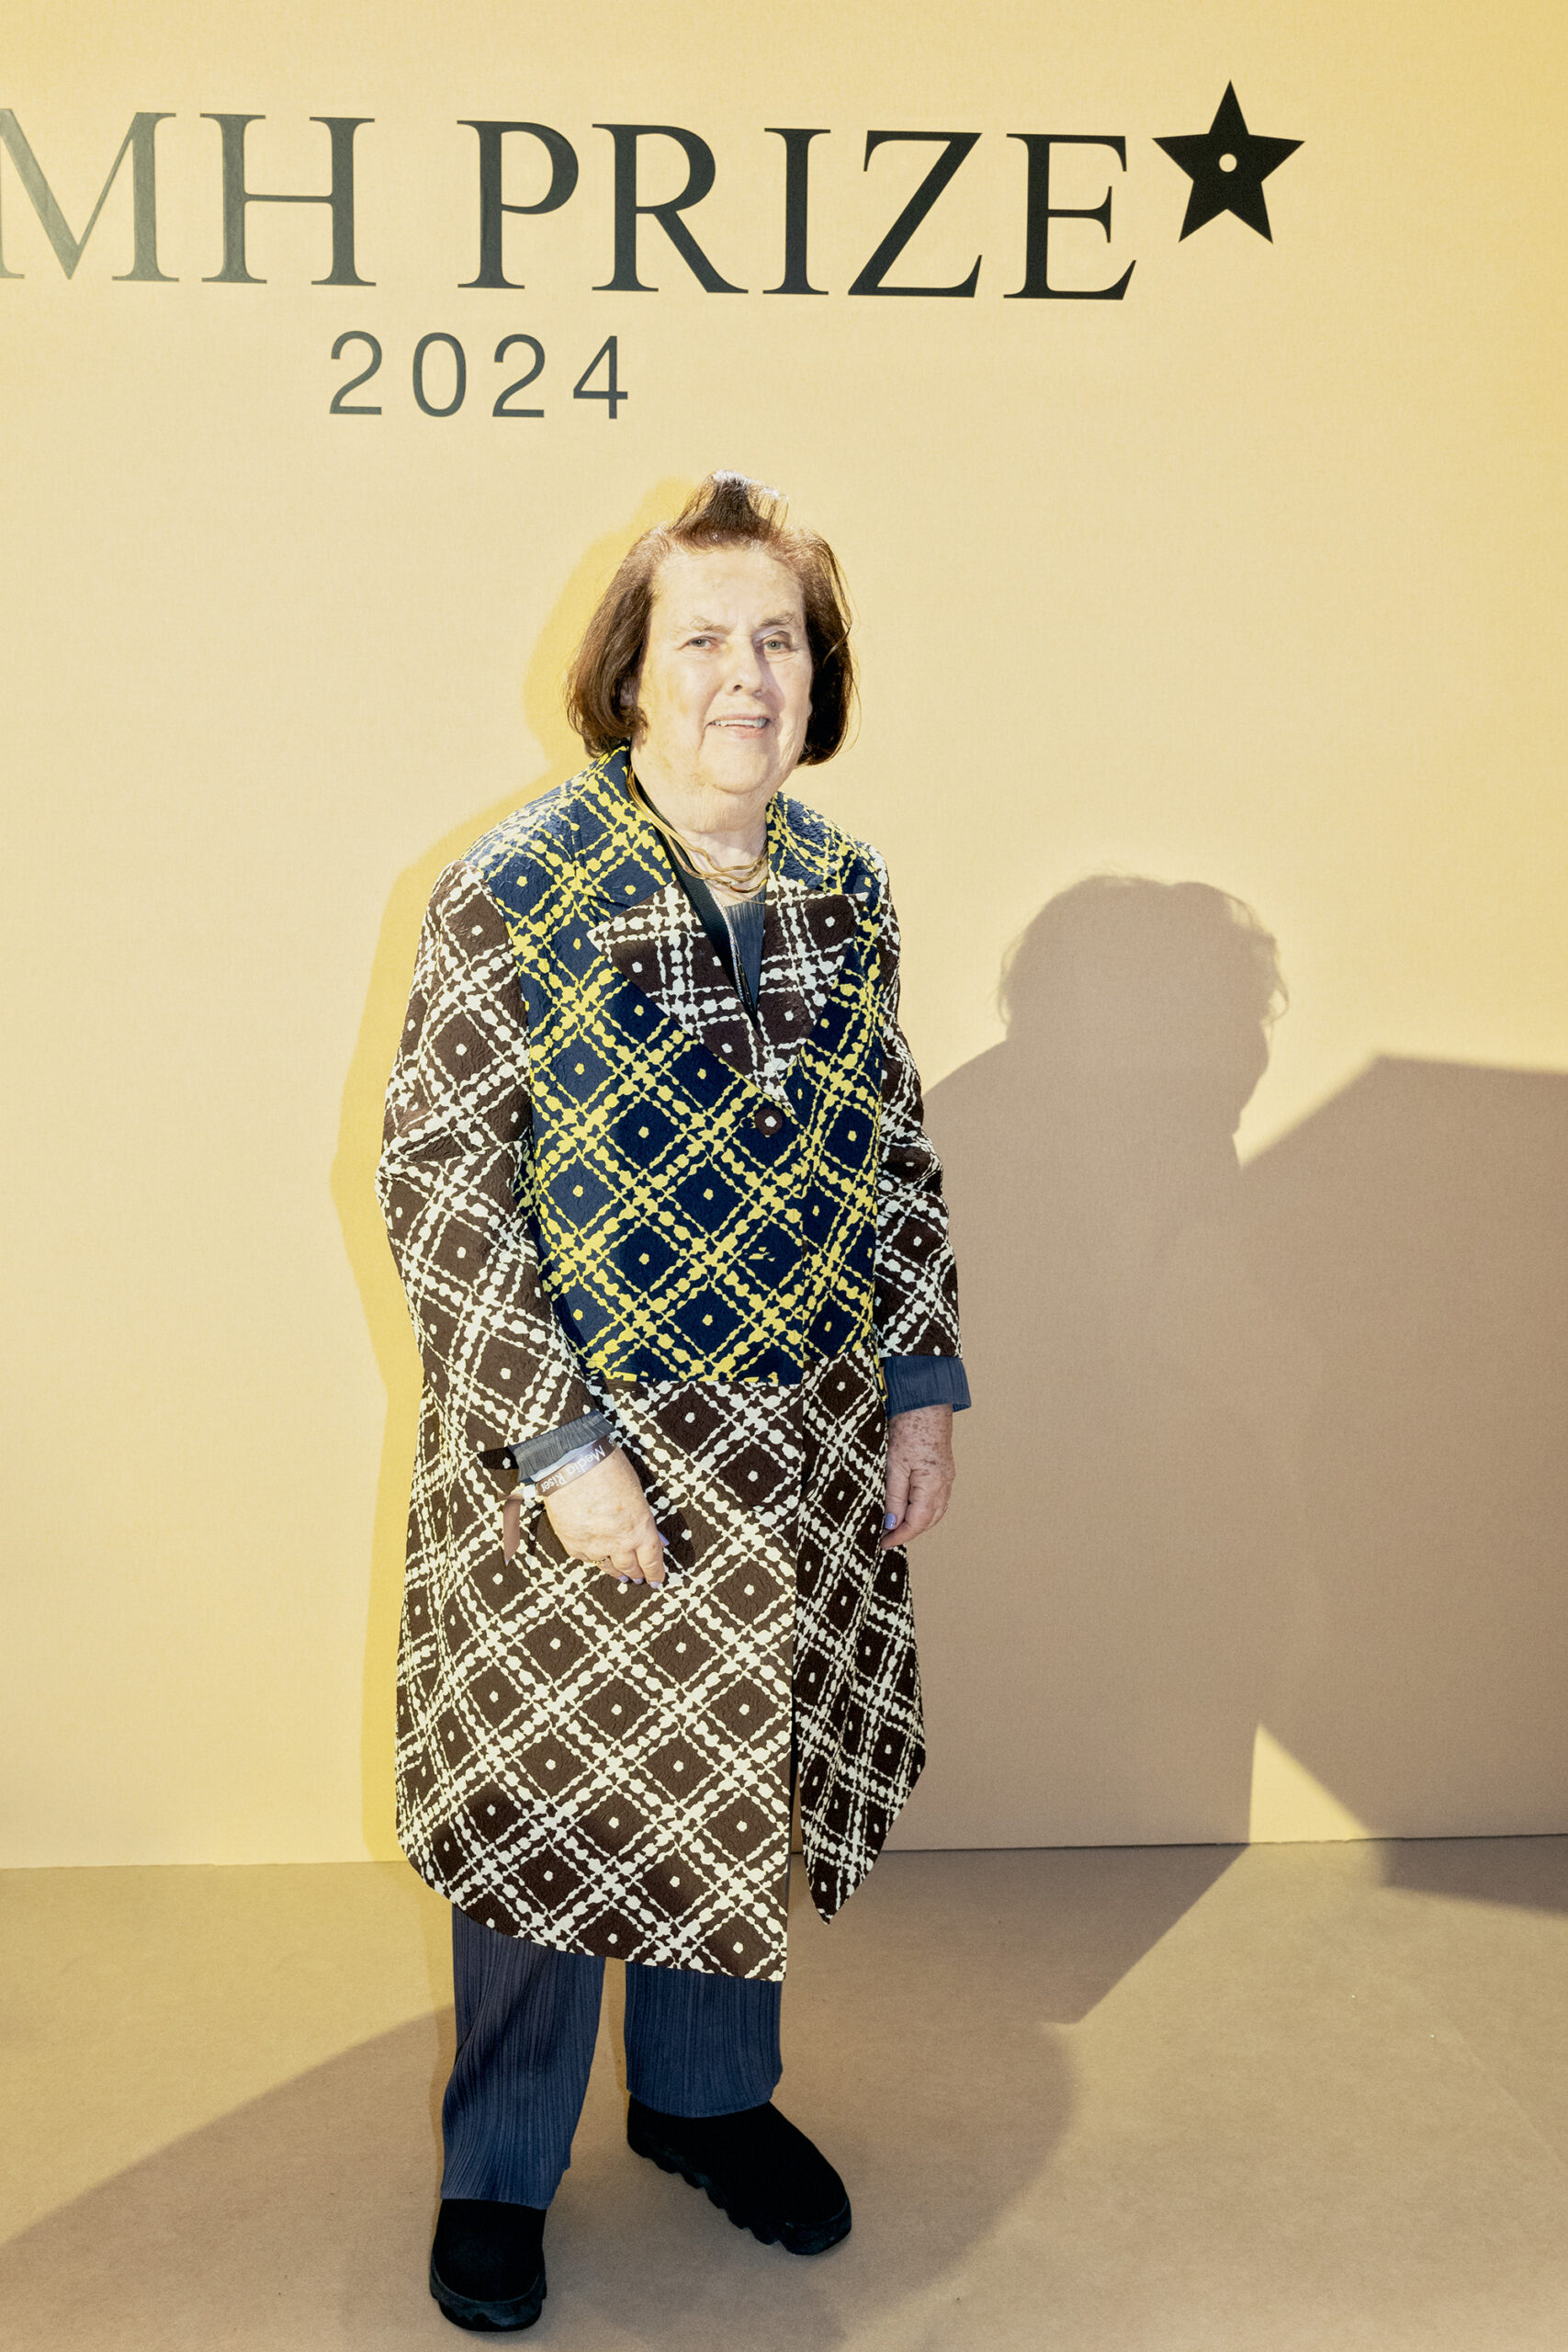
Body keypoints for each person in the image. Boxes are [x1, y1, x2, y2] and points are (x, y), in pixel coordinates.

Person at [377, 471, 968, 2332]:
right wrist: (562, 1446)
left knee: (736, 1781)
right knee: (550, 1810)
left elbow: (892, 1153)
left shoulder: (844, 887)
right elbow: (439, 1177)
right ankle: (499, 2168)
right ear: (630, 673)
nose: (744, 676)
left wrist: (917, 1384)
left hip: (791, 1445)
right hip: (582, 1446)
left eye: (777, 639)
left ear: (819, 674)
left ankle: (707, 2100)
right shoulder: (517, 883)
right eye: (702, 638)